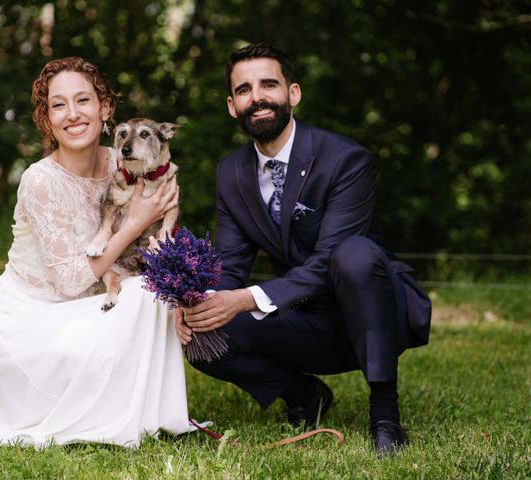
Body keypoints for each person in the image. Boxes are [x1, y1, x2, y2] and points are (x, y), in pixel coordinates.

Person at [176, 43, 431, 454]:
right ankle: (303, 395)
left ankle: (385, 415)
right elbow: (231, 262)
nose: (256, 97)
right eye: (244, 90)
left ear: (293, 94)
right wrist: (198, 304)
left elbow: (330, 259)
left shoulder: (345, 159)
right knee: (203, 335)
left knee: (354, 254)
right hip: (302, 320)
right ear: (231, 105)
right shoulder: (231, 171)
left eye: (268, 85)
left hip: (373, 315)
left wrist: (244, 299)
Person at [0, 57, 193, 449]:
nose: (72, 114)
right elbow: (70, 282)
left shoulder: (129, 161)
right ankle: (113, 409)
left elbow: (161, 224)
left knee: (150, 292)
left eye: (83, 100)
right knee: (136, 296)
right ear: (46, 119)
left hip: (95, 303)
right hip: (31, 318)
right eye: (57, 105)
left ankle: (152, 412)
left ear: (104, 109)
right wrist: (135, 223)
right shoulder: (39, 181)